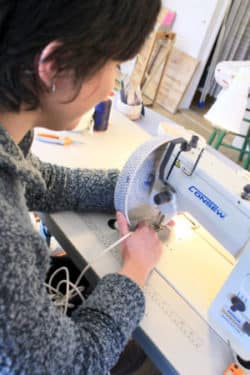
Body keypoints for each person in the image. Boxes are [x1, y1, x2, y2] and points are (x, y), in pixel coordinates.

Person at [0, 1, 163, 374]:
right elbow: (76, 363)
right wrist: (136, 269)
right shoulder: (6, 239)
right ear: (55, 66)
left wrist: (130, 185)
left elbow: (44, 183)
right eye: (114, 66)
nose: (111, 90)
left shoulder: (10, 139)